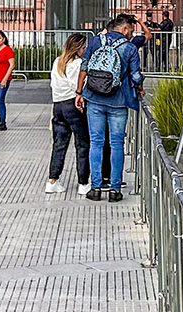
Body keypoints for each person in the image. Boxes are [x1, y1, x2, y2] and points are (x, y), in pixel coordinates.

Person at [78, 13, 143, 201]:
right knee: (116, 144)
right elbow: (136, 76)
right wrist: (140, 88)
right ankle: (115, 190)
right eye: (130, 30)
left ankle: (96, 188)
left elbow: (85, 66)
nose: (131, 33)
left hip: (94, 98)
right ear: (124, 29)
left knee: (96, 143)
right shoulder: (129, 48)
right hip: (118, 101)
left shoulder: (96, 41)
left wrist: (78, 92)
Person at [47, 32, 90, 194]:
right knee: (82, 144)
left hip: (57, 105)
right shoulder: (77, 64)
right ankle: (83, 183)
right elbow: (75, 86)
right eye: (83, 47)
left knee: (59, 144)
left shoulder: (58, 61)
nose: (85, 50)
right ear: (77, 47)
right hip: (73, 106)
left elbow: (53, 84)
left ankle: (53, 180)